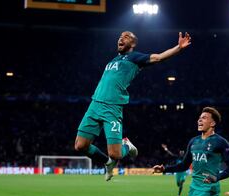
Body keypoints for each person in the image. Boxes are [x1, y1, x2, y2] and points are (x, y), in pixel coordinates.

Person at [74, 31, 192, 181]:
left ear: (133, 44)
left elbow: (158, 57)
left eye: (126, 37)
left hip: (112, 107)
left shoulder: (135, 58)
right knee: (80, 145)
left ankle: (126, 146)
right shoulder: (113, 60)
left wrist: (179, 48)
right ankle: (108, 163)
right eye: (120, 36)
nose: (121, 38)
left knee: (116, 154)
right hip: (95, 104)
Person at [153, 107, 229, 196]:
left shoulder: (221, 142)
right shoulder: (193, 142)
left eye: (204, 118)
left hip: (208, 188)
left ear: (212, 123)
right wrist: (164, 169)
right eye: (199, 118)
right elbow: (184, 165)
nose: (200, 120)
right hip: (194, 188)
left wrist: (216, 177)